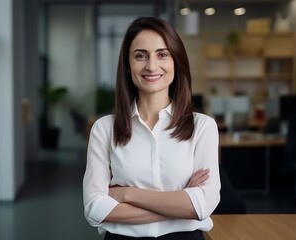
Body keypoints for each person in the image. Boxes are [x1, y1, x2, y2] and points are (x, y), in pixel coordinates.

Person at [83, 16, 220, 240]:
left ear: (176, 60)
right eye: (140, 56)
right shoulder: (103, 129)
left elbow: (202, 205)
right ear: (127, 66)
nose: (151, 66)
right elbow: (95, 209)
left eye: (162, 54)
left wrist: (125, 193)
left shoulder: (203, 127)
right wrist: (179, 202)